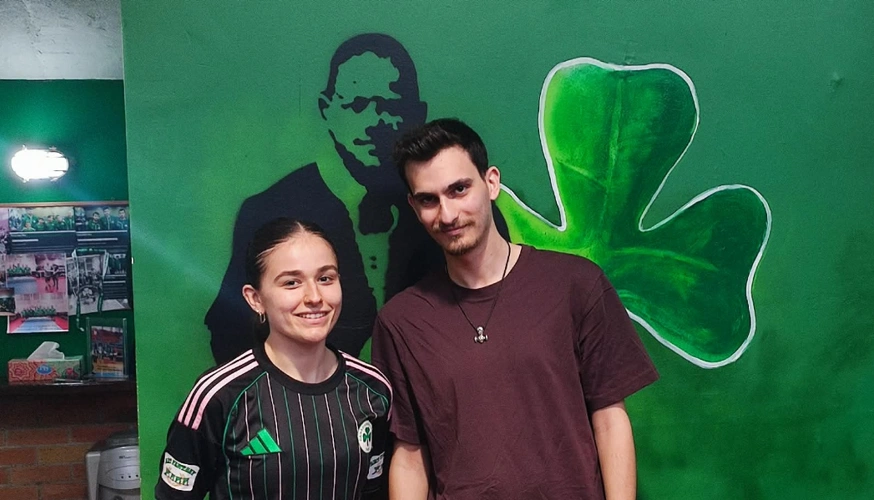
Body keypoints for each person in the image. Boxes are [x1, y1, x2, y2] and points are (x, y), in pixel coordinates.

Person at [371, 119, 659, 499]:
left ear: (491, 183)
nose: (447, 214)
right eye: (429, 200)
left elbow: (609, 418)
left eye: (459, 189)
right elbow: (410, 456)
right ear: (414, 206)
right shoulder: (401, 322)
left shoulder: (575, 284)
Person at [204, 33, 441, 364]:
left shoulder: (443, 214)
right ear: (327, 110)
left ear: (417, 114)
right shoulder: (268, 208)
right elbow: (228, 328)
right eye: (356, 105)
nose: (374, 122)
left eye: (391, 106)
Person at [156, 218, 392, 499]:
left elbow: (372, 491)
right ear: (255, 299)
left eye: (325, 278)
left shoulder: (373, 390)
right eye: (292, 283)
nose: (314, 296)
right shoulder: (219, 395)